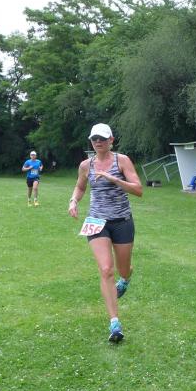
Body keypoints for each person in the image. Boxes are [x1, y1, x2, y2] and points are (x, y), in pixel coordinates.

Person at [68, 123, 143, 342]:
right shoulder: (86, 165)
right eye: (94, 139)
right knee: (106, 269)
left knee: (122, 269)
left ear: (111, 140)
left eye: (102, 138)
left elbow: (138, 190)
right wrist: (73, 201)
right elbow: (80, 187)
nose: (98, 142)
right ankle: (114, 323)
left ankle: (126, 277)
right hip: (96, 221)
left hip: (122, 221)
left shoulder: (122, 161)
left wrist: (115, 179)